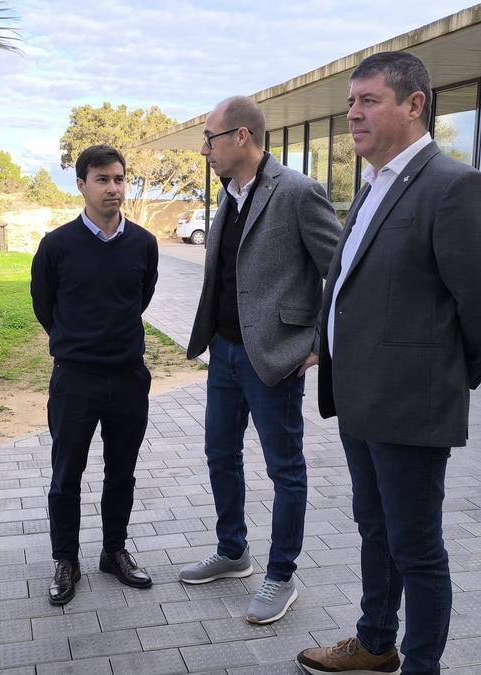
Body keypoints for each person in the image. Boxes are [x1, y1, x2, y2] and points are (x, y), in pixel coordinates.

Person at [296, 52, 481, 674]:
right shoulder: (375, 187)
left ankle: (422, 666)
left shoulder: (453, 186)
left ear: (414, 104)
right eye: (350, 104)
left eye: (368, 101)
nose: (353, 115)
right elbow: (348, 285)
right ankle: (374, 643)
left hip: (409, 405)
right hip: (362, 399)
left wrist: (446, 374)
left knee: (416, 547)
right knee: (376, 530)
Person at [182, 96, 341, 624]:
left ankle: (281, 574)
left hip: (273, 356)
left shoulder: (297, 192)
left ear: (242, 137)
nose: (205, 148)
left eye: (211, 138)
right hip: (224, 352)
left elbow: (341, 271)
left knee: (284, 469)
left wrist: (319, 342)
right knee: (219, 454)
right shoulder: (228, 194)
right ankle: (233, 553)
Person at [30, 144, 159, 606]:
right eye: (102, 179)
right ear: (81, 184)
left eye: (120, 179)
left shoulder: (144, 243)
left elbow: (140, 298)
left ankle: (114, 551)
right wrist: (77, 343)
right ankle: (66, 558)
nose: (113, 188)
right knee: (67, 473)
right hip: (75, 380)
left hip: (128, 378)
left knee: (121, 472)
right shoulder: (57, 246)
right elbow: (45, 308)